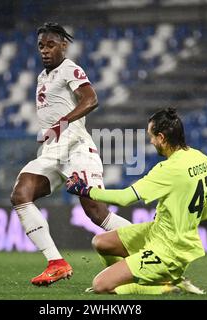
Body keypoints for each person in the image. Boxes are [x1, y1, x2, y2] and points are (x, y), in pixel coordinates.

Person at [10, 22, 131, 286]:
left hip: (76, 146)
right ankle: (56, 263)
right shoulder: (43, 77)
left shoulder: (69, 69)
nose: (44, 50)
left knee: (97, 213)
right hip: (53, 150)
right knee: (21, 193)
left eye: (51, 44)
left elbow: (91, 99)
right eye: (41, 45)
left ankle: (150, 243)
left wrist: (61, 124)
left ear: (63, 45)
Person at [66, 107, 207, 294]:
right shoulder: (201, 159)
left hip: (169, 250)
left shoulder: (168, 169)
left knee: (101, 286)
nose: (151, 141)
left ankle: (164, 287)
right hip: (158, 233)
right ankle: (129, 273)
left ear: (162, 138)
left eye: (152, 136)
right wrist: (185, 218)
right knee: (101, 242)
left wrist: (85, 190)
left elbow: (125, 198)